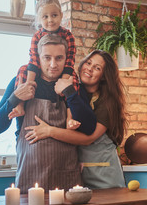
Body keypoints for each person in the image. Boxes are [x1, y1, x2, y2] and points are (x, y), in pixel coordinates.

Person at [0, 34, 95, 193]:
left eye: (59, 58)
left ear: (66, 59)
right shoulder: (21, 82)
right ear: (38, 58)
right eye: (47, 58)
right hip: (30, 178)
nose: (53, 64)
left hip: (67, 177)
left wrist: (69, 93)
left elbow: (89, 128)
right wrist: (15, 98)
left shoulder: (72, 86)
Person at [24, 50, 127, 189]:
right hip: (80, 173)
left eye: (97, 68)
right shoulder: (77, 93)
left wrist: (49, 131)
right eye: (89, 63)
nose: (89, 68)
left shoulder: (108, 102)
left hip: (105, 174)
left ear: (104, 76)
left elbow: (88, 138)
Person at [9, 0, 78, 120]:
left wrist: (63, 83)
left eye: (54, 15)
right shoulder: (37, 36)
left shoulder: (68, 35)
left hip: (63, 73)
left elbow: (69, 61)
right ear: (39, 19)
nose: (50, 20)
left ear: (61, 15)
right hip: (38, 72)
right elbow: (34, 60)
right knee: (23, 70)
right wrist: (29, 85)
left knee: (73, 79)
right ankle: (20, 105)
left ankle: (70, 116)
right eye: (45, 17)